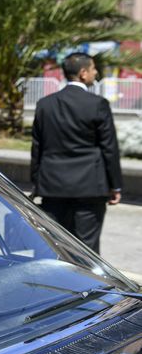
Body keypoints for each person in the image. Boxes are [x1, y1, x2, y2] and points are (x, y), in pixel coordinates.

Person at [31, 52, 122, 253]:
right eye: (93, 69)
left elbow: (37, 147)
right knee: (87, 251)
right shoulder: (98, 104)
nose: (95, 72)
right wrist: (115, 185)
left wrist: (37, 181)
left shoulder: (45, 104)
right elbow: (109, 148)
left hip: (53, 187)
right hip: (90, 188)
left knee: (52, 247)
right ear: (83, 73)